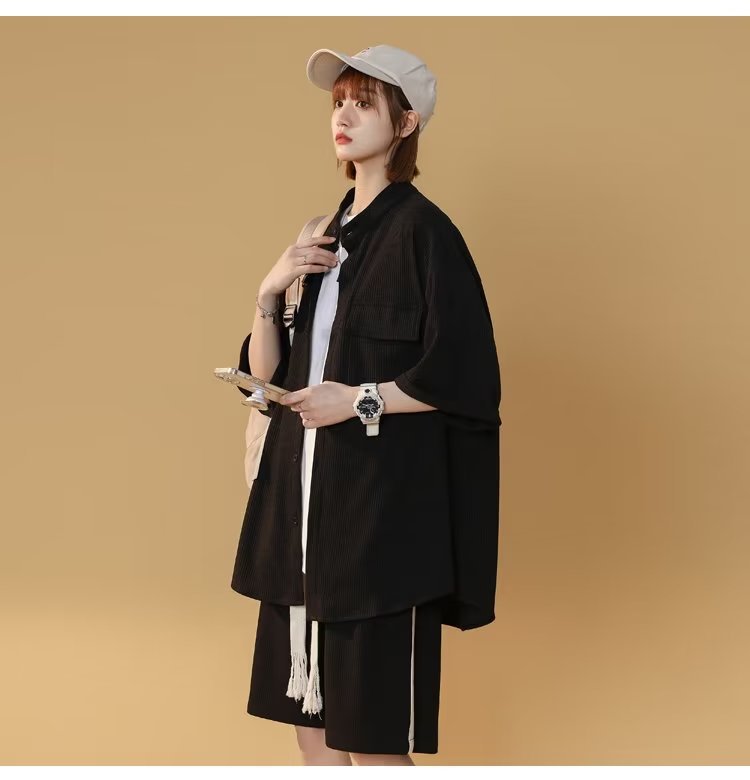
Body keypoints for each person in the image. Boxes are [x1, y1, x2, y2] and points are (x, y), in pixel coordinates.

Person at [232, 44, 502, 766]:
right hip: (300, 527)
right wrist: (268, 291)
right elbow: (268, 379)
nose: (344, 116)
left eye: (363, 102)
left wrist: (359, 401)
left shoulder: (425, 235)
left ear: (406, 122)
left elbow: (467, 378)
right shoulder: (321, 237)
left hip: (378, 535)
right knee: (312, 736)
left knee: (374, 747)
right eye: (338, 103)